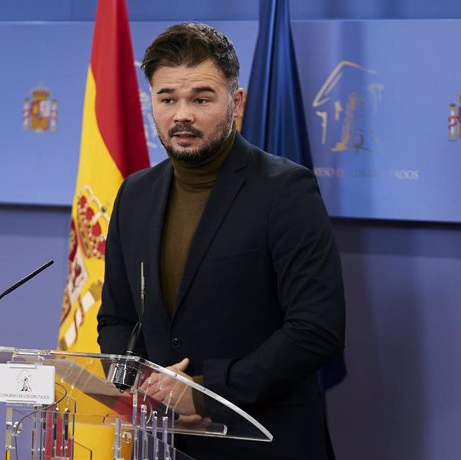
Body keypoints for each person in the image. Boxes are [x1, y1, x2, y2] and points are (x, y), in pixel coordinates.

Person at [97, 22, 346, 460]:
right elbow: (116, 319)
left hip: (265, 442)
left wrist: (207, 394)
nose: (182, 115)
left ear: (238, 101)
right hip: (164, 442)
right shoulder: (134, 194)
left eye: (201, 98)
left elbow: (316, 330)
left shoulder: (285, 190)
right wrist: (141, 387)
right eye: (167, 98)